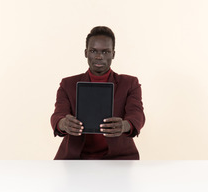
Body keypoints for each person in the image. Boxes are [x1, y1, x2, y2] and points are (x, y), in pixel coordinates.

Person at [50, 26, 145, 160]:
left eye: (106, 52)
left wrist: (124, 125)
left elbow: (137, 114)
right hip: (75, 158)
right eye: (93, 51)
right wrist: (63, 123)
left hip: (118, 158)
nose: (99, 56)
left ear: (113, 54)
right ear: (86, 53)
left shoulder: (129, 83)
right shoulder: (68, 84)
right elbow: (58, 115)